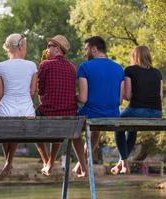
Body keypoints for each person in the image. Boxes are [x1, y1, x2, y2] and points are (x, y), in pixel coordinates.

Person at [72, 36, 124, 177]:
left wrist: (72, 96)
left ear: (94, 49)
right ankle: (81, 163)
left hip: (92, 114)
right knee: (96, 130)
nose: (85, 53)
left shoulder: (85, 67)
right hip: (113, 114)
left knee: (72, 129)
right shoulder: (119, 68)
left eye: (86, 49)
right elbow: (120, 100)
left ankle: (83, 166)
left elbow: (83, 98)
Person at [111, 45, 163, 175]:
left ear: (134, 56)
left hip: (136, 110)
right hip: (157, 113)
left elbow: (128, 96)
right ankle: (122, 162)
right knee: (132, 128)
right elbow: (160, 96)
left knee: (117, 123)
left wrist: (121, 93)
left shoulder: (130, 70)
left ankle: (123, 161)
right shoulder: (157, 73)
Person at [0, 33, 38, 176]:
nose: (26, 49)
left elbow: (0, 94)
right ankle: (9, 161)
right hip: (26, 110)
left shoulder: (0, 66)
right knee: (17, 124)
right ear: (20, 46)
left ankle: (7, 161)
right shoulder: (32, 65)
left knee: (5, 123)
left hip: (6, 109)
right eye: (25, 46)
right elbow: (32, 92)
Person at [35, 35, 77, 176]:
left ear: (57, 49)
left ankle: (47, 160)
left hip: (49, 112)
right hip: (69, 115)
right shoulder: (72, 67)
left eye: (49, 46)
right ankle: (51, 161)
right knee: (58, 126)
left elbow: (40, 94)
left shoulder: (44, 65)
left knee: (31, 125)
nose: (46, 49)